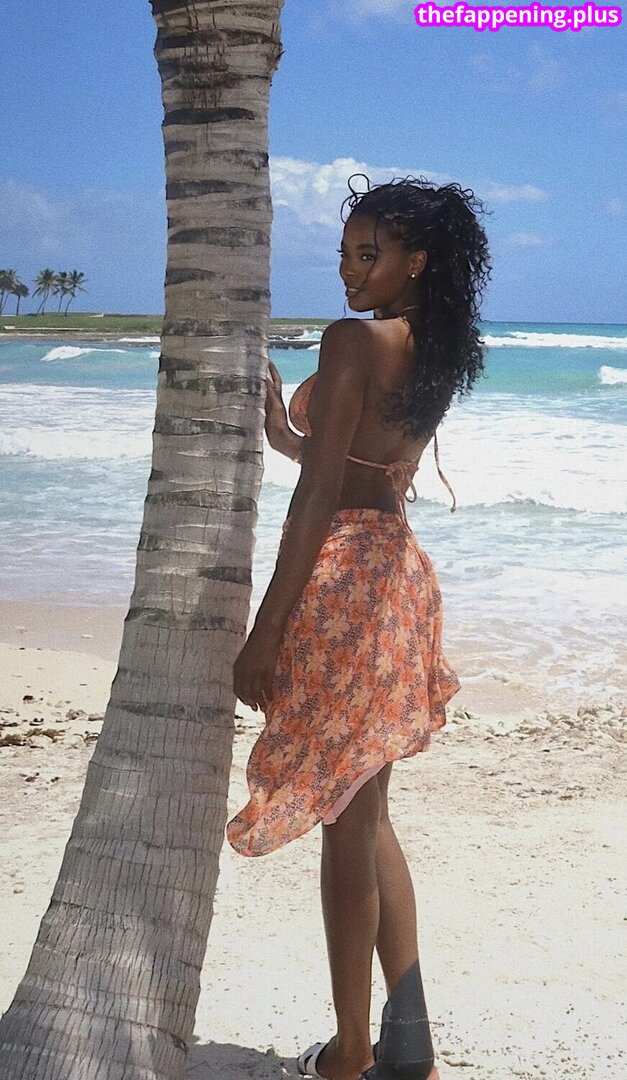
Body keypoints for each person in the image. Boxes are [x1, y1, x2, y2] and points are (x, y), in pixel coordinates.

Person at [227, 176, 491, 1080]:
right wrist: (283, 432)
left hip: (338, 582)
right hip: (396, 578)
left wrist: (266, 630)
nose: (348, 270)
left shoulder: (350, 340)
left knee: (346, 817)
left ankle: (348, 1053)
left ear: (414, 261)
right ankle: (406, 1043)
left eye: (367, 254)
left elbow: (318, 497)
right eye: (343, 253)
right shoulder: (433, 348)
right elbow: (366, 466)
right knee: (365, 809)